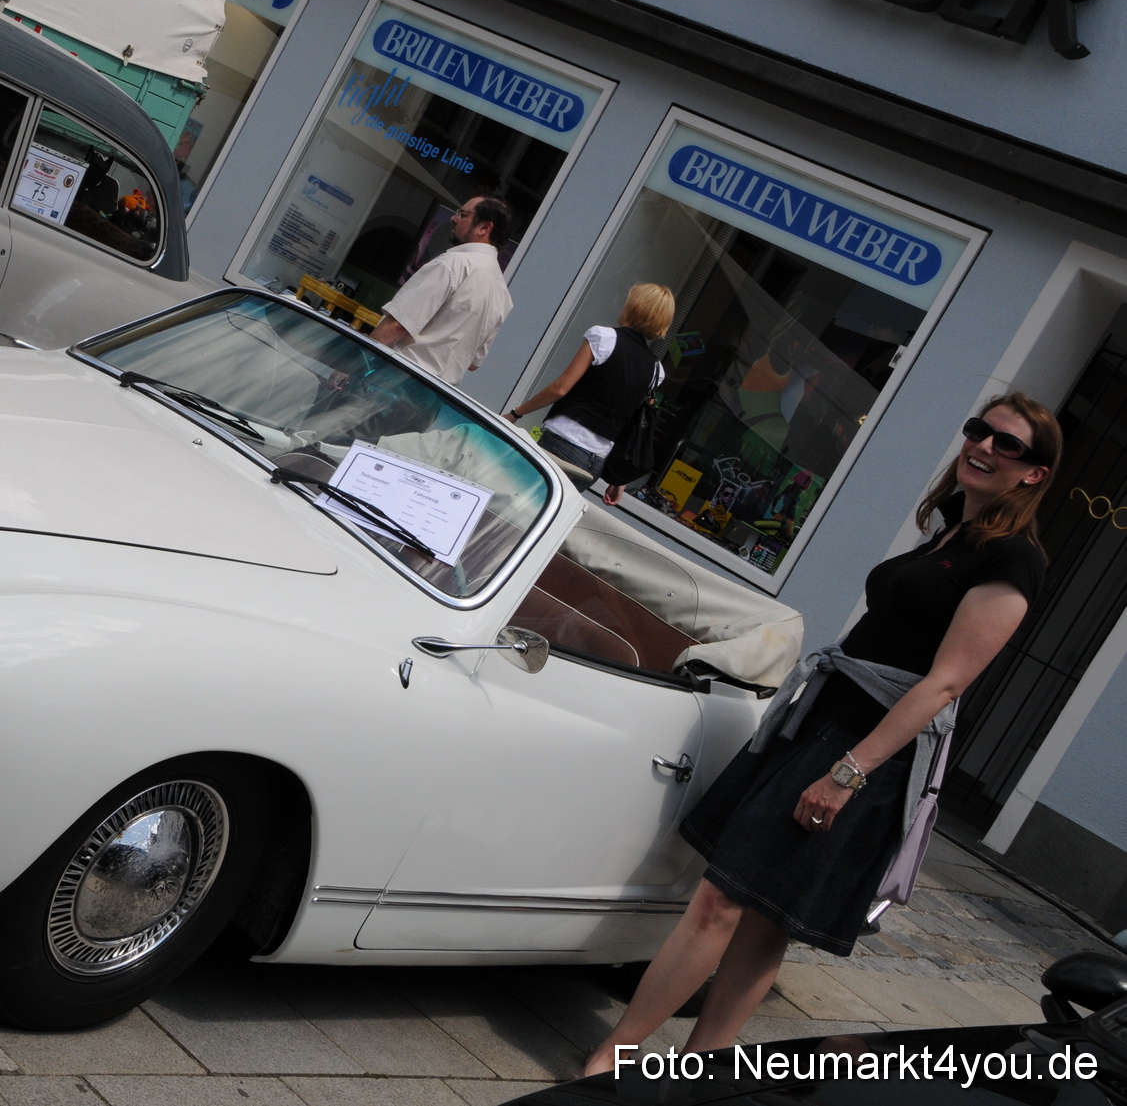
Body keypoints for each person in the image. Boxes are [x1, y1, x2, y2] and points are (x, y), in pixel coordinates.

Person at [583, 392, 1062, 1076]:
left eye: (1006, 443)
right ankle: (703, 1069)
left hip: (862, 751)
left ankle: (613, 1058)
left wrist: (846, 773)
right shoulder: (952, 532)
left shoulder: (1012, 559)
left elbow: (943, 685)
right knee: (760, 912)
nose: (983, 446)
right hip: (821, 721)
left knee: (724, 900)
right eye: (978, 430)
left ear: (1034, 472)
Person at [505, 283, 674, 505]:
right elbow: (631, 422)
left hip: (563, 441)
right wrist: (620, 480)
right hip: (596, 462)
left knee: (514, 504)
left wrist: (516, 413)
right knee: (542, 516)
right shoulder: (656, 370)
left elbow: (560, 388)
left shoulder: (603, 337)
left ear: (634, 307)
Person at [369, 196, 513, 386]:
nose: (454, 218)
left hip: (392, 379)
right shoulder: (502, 294)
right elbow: (473, 364)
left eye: (463, 214)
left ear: (484, 228)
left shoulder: (452, 264)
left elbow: (398, 325)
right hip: (434, 395)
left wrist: (352, 366)